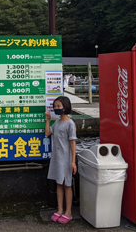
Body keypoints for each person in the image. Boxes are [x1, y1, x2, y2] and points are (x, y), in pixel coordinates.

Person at [45, 96, 77, 224]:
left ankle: (68, 212)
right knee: (59, 183)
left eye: (59, 106)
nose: (56, 109)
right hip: (57, 158)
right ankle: (60, 210)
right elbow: (47, 133)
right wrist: (48, 120)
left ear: (66, 107)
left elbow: (73, 143)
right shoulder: (57, 123)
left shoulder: (70, 123)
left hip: (67, 158)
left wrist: (73, 161)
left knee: (67, 185)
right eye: (55, 107)